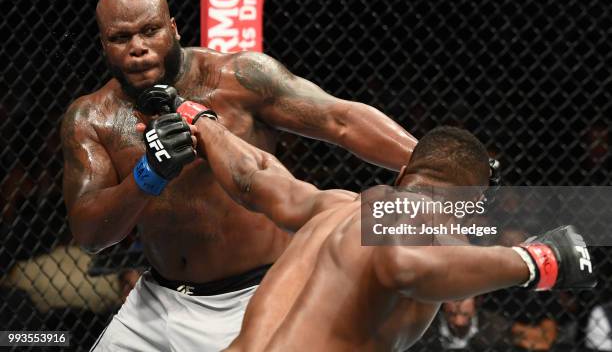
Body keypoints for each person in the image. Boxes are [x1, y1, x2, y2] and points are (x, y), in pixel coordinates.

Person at [60, 0, 418, 350]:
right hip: (156, 300)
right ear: (104, 45)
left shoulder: (238, 79)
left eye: (150, 31)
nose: (138, 48)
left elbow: (340, 120)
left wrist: (438, 165)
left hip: (253, 296)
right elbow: (90, 236)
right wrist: (149, 174)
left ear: (174, 29)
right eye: (121, 38)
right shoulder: (91, 118)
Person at [136, 93, 595, 351]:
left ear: (401, 172)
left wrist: (202, 121)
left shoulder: (335, 207)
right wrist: (535, 261)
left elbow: (256, 178)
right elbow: (403, 266)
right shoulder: (420, 221)